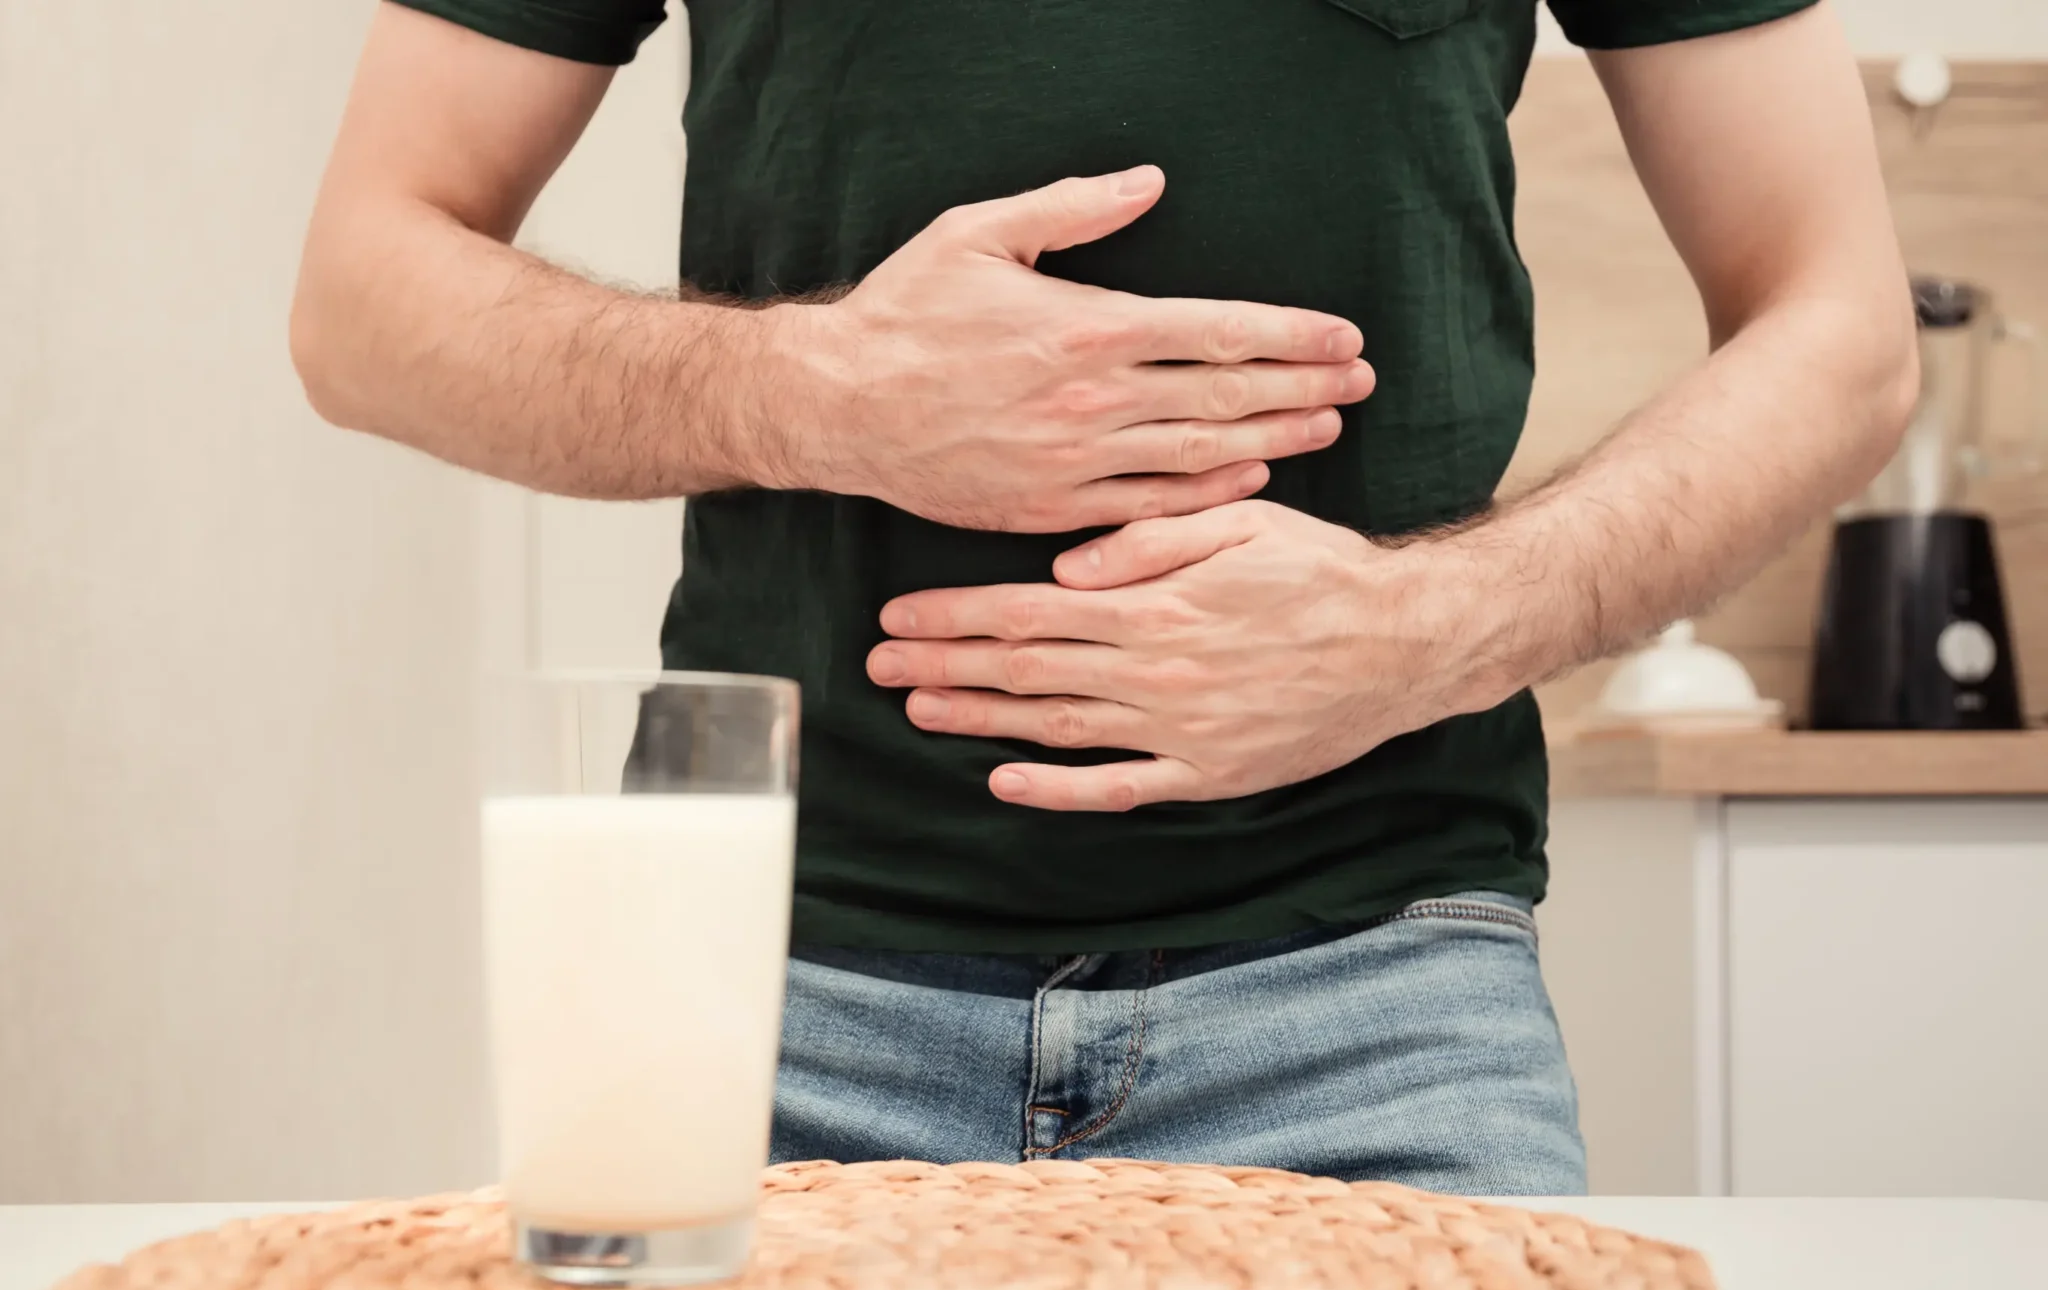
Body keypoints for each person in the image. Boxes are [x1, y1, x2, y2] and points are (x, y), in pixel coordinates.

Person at [292, 0, 1912, 1195]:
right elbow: (364, 295)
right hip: (773, 1009)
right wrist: (819, 388)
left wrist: (1430, 627)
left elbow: (1843, 332)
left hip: (1373, 1008)